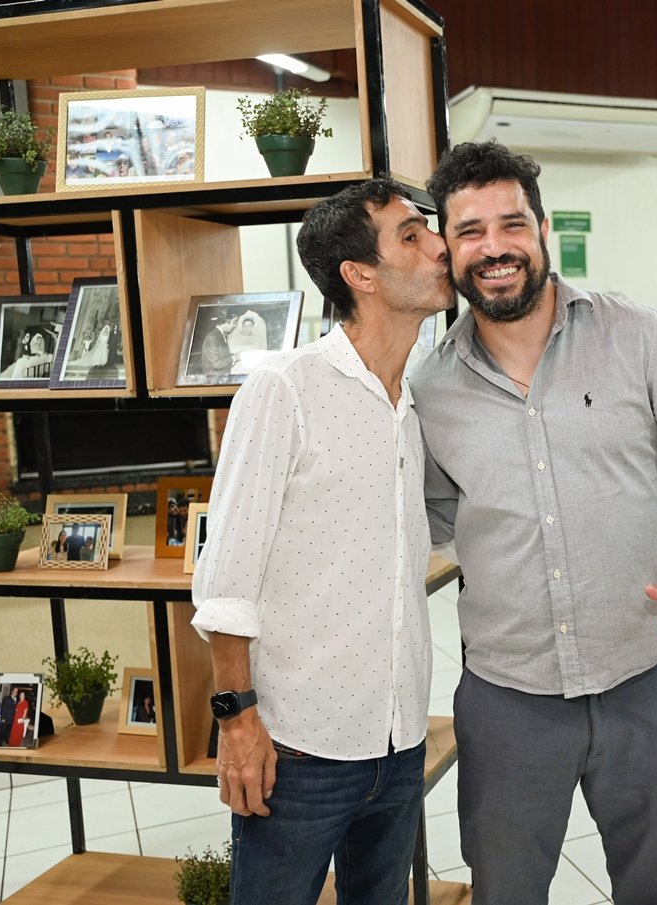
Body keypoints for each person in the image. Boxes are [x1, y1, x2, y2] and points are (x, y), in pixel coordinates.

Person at [414, 140, 657, 905]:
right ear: (449, 249)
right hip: (507, 698)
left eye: (512, 224)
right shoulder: (431, 387)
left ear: (542, 229)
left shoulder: (639, 335)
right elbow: (430, 516)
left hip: (644, 678)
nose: (494, 247)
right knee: (505, 892)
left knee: (655, 887)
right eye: (470, 231)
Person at [191, 177, 454, 905]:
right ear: (360, 274)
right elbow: (225, 580)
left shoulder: (415, 399)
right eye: (411, 236)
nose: (440, 246)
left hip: (399, 741)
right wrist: (237, 722)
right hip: (300, 749)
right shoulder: (285, 388)